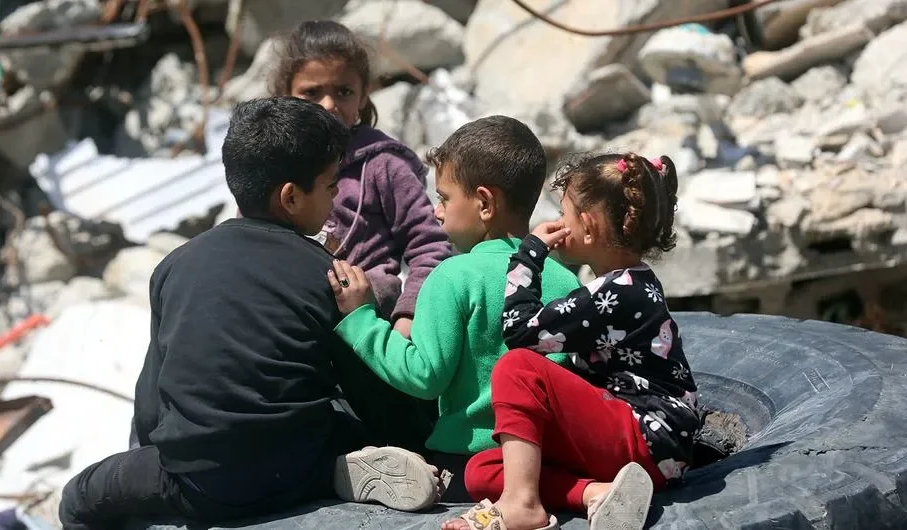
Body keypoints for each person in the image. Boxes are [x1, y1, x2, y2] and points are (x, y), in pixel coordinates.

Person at [58, 97, 443, 530]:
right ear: (291, 198)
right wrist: (415, 440)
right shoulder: (327, 274)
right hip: (295, 466)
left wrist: (152, 458)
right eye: (331, 187)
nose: (335, 199)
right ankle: (335, 471)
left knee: (79, 496)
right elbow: (369, 392)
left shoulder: (175, 265)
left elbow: (152, 400)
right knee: (332, 421)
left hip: (200, 484)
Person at [327, 116, 582, 503]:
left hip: (468, 465)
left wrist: (360, 319)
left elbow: (424, 376)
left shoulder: (453, 275)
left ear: (484, 203)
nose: (437, 212)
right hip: (549, 464)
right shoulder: (565, 280)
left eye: (444, 198)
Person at [444, 153, 701, 530]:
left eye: (564, 214)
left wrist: (530, 255)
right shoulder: (626, 285)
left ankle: (521, 505)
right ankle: (596, 493)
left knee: (517, 367)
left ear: (588, 225)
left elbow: (519, 333)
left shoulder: (617, 293)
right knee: (482, 469)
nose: (558, 224)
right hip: (641, 452)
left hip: (644, 436)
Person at [272, 19, 453, 339]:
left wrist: (408, 315)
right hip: (293, 321)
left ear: (363, 96)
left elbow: (429, 245)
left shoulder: (383, 164)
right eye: (311, 93)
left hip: (371, 324)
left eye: (343, 92)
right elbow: (249, 236)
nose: (328, 105)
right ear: (284, 94)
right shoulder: (273, 164)